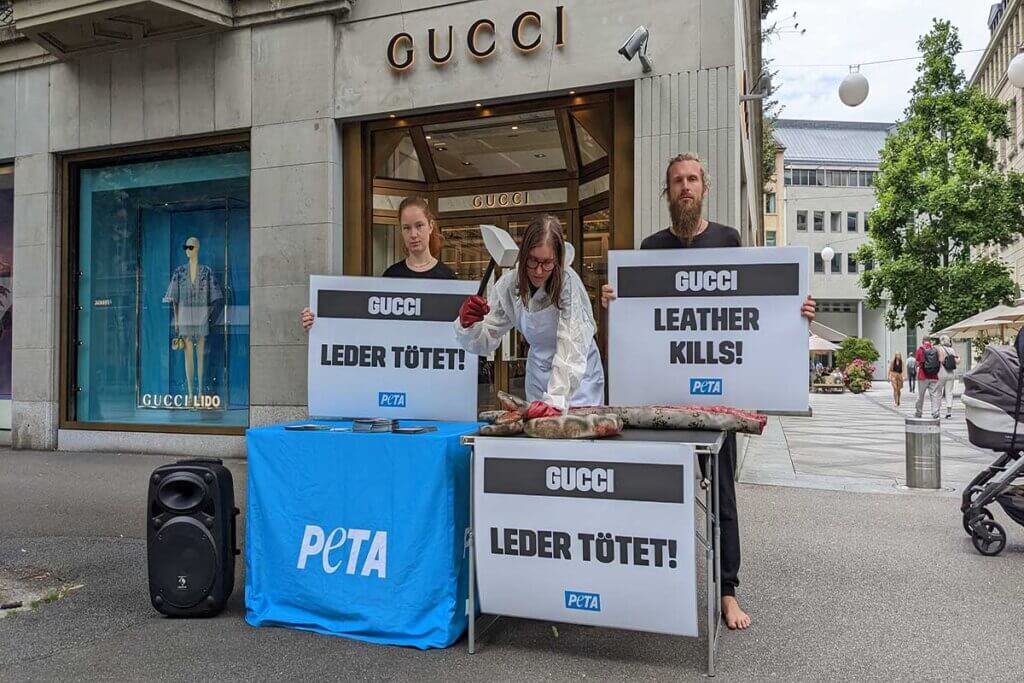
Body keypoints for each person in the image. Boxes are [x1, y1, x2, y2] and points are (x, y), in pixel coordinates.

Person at [600, 153, 817, 632]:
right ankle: (661, 583)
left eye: (692, 179)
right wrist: (615, 300)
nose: (685, 187)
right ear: (667, 191)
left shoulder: (728, 240)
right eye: (676, 180)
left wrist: (795, 307)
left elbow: (754, 305)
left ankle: (726, 590)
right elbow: (638, 319)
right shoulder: (650, 249)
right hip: (665, 403)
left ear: (705, 187)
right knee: (662, 494)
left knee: (722, 497)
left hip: (718, 402)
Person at [455, 214, 603, 414]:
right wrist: (468, 325)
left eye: (547, 263)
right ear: (524, 256)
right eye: (533, 261)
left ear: (557, 260)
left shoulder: (568, 283)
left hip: (578, 378)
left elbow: (572, 344)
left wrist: (556, 399)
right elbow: (485, 339)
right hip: (538, 374)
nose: (539, 271)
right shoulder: (510, 284)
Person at [301, 196, 454, 330]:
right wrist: (318, 319)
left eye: (419, 225)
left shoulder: (448, 278)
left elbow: (462, 332)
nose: (413, 234)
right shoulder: (392, 276)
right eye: (406, 228)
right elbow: (366, 324)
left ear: (431, 226)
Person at [914, 338, 944, 419]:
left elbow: (917, 363)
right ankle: (935, 412)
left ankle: (919, 412)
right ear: (930, 341)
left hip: (922, 376)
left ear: (922, 341)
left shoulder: (920, 350)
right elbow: (940, 361)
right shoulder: (936, 350)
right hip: (934, 376)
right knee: (934, 395)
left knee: (921, 395)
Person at [937, 334, 960, 419]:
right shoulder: (952, 350)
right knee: (949, 392)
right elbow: (957, 361)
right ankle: (949, 412)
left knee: (938, 392)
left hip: (942, 373)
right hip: (951, 373)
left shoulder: (940, 349)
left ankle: (937, 411)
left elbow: (941, 360)